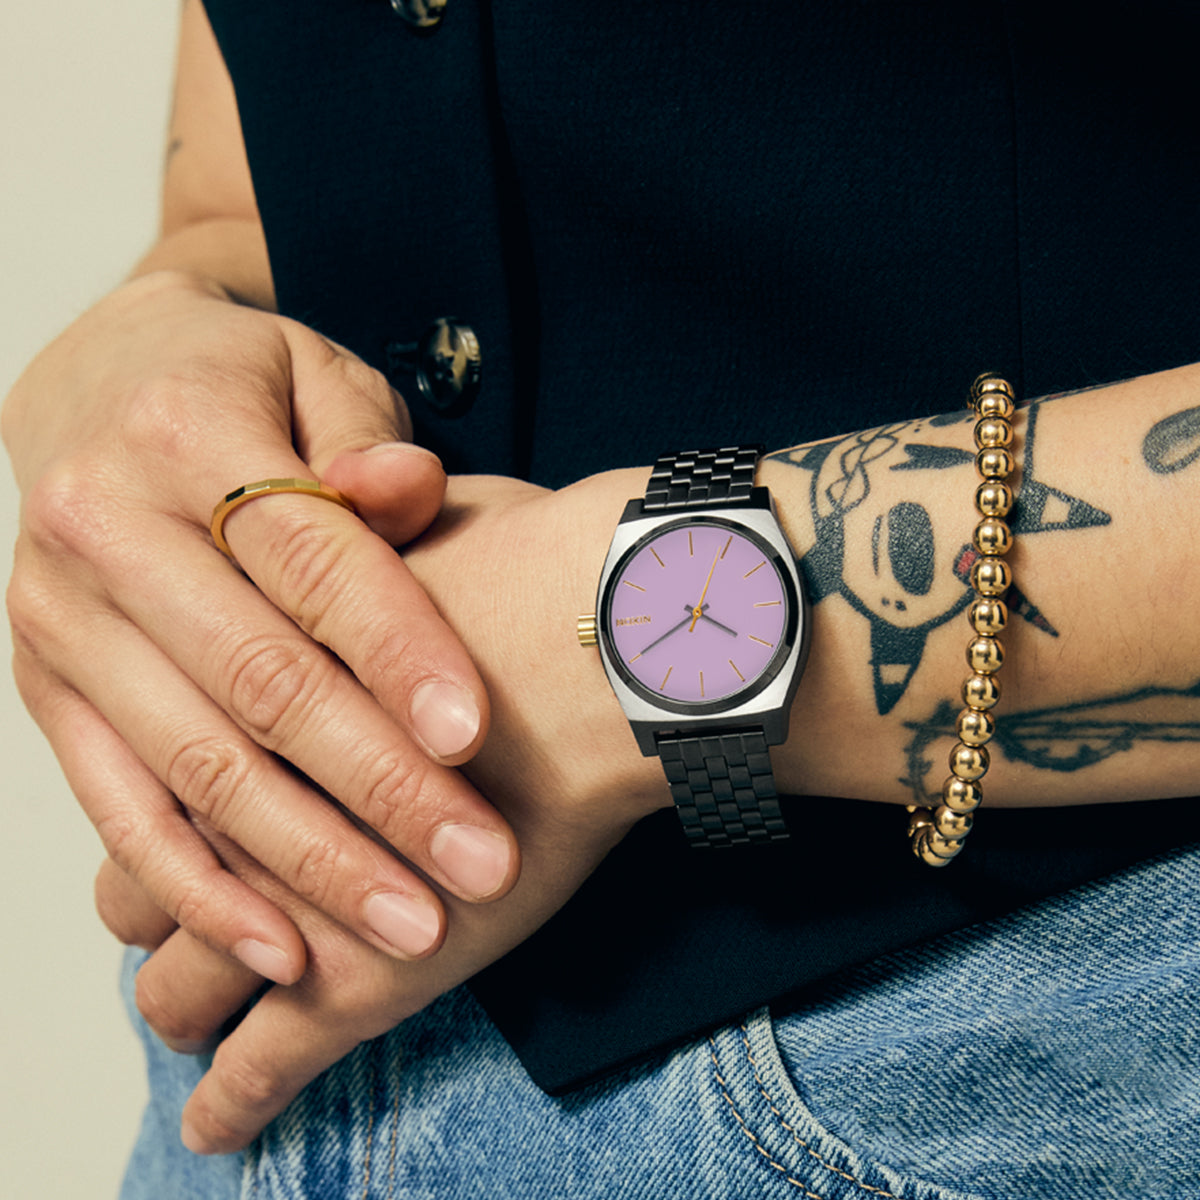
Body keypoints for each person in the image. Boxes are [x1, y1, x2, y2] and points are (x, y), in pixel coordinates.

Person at [6, 1, 1200, 1196]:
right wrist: (145, 331)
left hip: (1003, 1057)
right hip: (283, 1061)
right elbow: (243, 197)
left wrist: (591, 659)